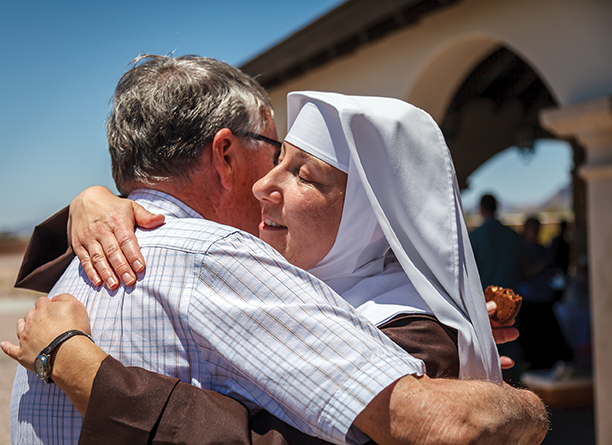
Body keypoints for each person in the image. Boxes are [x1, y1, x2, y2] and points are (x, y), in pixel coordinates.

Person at [5, 55, 548, 445]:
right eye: (274, 155)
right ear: (224, 154)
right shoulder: (225, 265)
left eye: (302, 174)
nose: (267, 185)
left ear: (369, 215)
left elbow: (445, 425)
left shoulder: (73, 272)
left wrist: (82, 367)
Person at [517, 216, 573, 370]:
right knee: (532, 336)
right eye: (533, 229)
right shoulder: (522, 249)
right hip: (530, 299)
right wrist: (540, 266)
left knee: (549, 335)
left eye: (537, 229)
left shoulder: (541, 248)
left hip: (543, 297)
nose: (535, 232)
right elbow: (525, 272)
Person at [469, 194, 523, 291]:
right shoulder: (512, 236)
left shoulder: (473, 237)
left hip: (484, 296)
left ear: (481, 209)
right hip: (509, 295)